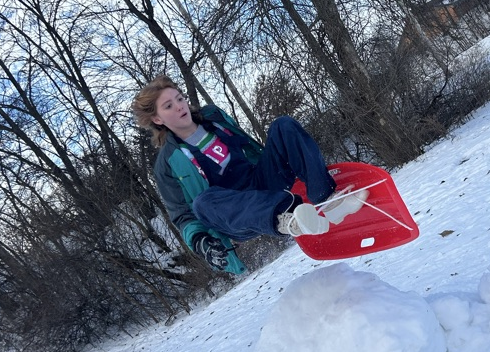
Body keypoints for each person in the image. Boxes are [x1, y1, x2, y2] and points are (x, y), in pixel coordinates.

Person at [132, 75, 366, 273]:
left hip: (259, 182)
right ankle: (288, 219)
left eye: (179, 98)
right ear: (157, 119)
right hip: (233, 213)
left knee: (283, 126)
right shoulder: (167, 163)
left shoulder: (214, 117)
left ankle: (328, 201)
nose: (179, 106)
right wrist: (200, 242)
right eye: (168, 106)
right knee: (202, 202)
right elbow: (182, 215)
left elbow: (249, 149)